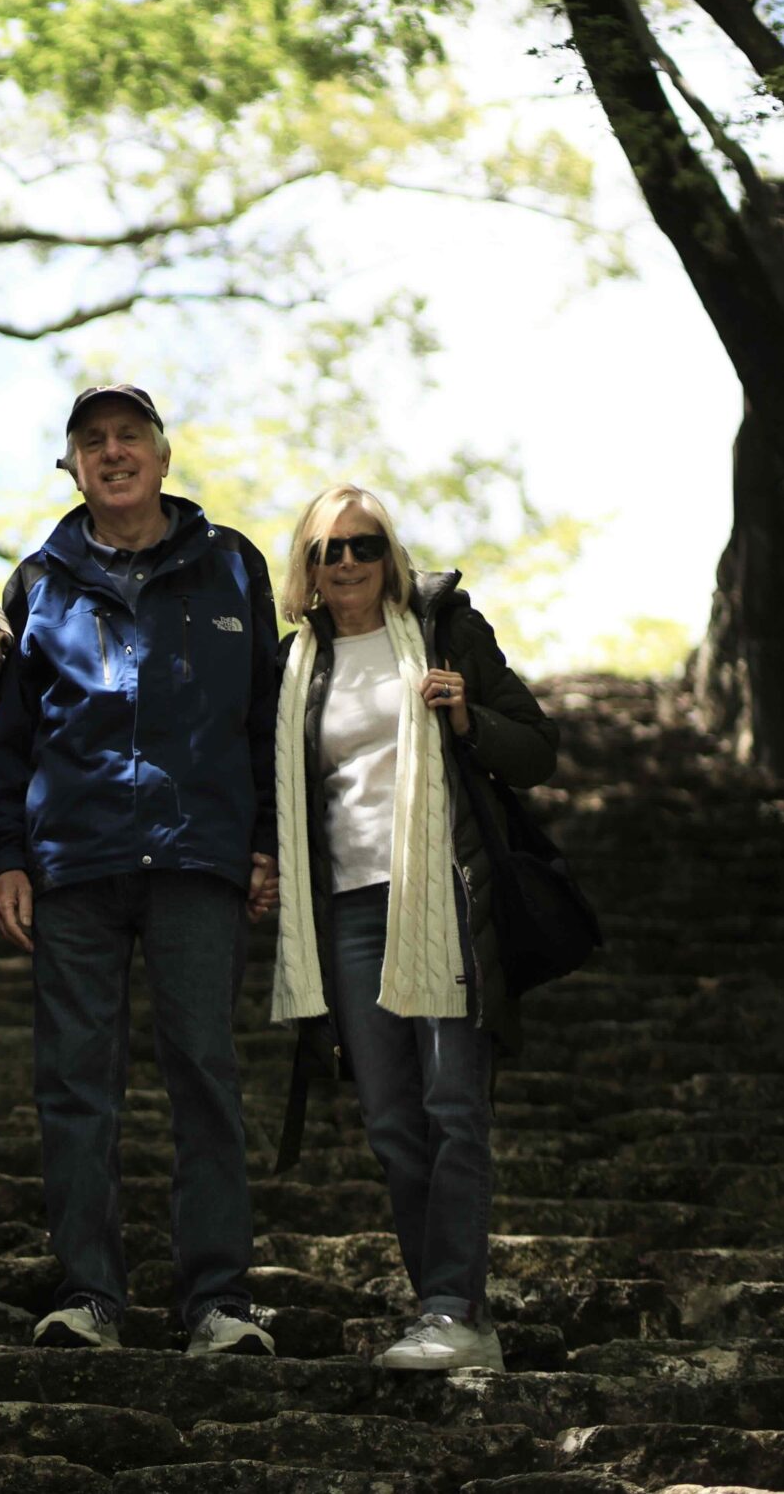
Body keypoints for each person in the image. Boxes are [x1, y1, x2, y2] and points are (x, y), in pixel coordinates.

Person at [0, 384, 282, 1356]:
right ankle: (88, 1297)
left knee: (204, 1071)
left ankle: (217, 1303)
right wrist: (1, 857)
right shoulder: (40, 581)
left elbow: (265, 716)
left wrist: (267, 839)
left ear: (160, 454)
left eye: (128, 437)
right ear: (71, 465)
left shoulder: (233, 564)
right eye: (91, 442)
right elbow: (10, 739)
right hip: (75, 862)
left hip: (198, 856)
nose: (112, 453)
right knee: (74, 1083)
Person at [266, 483, 556, 1373]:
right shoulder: (291, 667)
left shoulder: (444, 628)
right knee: (392, 1121)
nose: (347, 561)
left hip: (440, 897)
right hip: (345, 910)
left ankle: (450, 1310)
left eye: (364, 545)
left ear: (389, 555)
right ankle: (451, 1309)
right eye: (328, 550)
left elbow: (537, 751)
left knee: (453, 1106)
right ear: (307, 570)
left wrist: (468, 715)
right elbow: (271, 787)